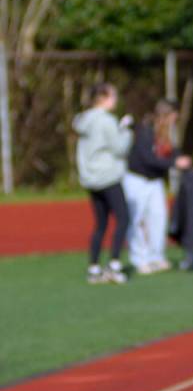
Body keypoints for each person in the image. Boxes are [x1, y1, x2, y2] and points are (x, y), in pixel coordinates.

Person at [123, 98, 192, 274]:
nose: (175, 120)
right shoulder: (145, 129)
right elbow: (148, 158)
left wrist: (180, 158)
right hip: (137, 179)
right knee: (137, 219)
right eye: (173, 116)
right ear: (166, 115)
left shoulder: (168, 133)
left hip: (155, 181)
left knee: (159, 217)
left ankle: (157, 256)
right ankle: (140, 259)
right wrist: (174, 163)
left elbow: (171, 151)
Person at [73, 82, 132, 284]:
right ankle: (114, 265)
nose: (116, 101)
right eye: (113, 97)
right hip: (108, 176)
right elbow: (119, 148)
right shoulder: (107, 121)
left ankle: (94, 267)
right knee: (123, 219)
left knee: (101, 224)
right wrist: (126, 131)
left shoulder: (83, 120)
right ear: (104, 97)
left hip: (91, 178)